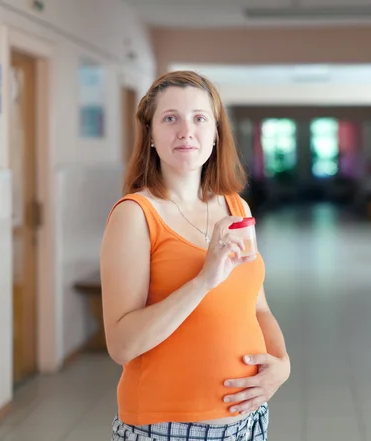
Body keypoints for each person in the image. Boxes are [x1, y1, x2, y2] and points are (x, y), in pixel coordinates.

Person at [100, 70, 290, 441]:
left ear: (216, 134)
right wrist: (204, 281)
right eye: (170, 118)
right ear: (151, 135)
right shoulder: (135, 215)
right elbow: (122, 345)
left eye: (199, 118)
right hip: (164, 428)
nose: (186, 130)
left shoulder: (235, 206)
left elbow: (258, 307)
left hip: (247, 423)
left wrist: (282, 365)